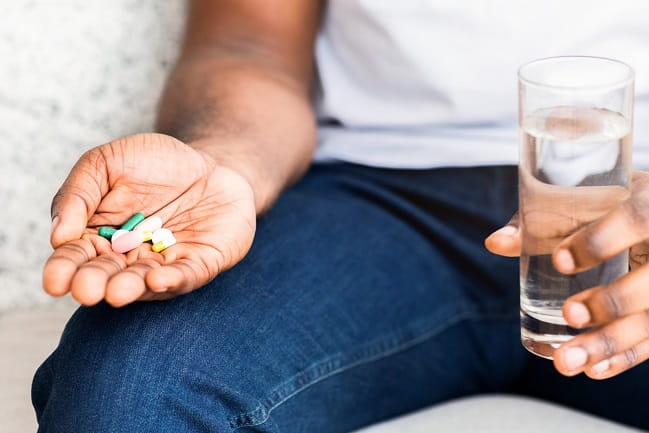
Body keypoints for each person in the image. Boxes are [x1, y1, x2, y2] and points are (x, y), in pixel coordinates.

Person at [32, 1, 649, 432]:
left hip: (633, 209)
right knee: (128, 395)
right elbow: (250, 44)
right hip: (376, 199)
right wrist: (226, 162)